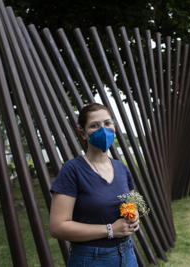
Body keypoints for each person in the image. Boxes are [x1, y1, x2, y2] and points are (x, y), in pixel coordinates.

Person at [49, 103, 139, 267]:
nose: (103, 130)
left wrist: (134, 217)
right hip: (91, 259)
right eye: (94, 126)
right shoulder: (72, 170)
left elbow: (133, 203)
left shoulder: (121, 168)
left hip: (127, 254)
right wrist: (110, 229)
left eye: (107, 123)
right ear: (83, 133)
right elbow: (57, 227)